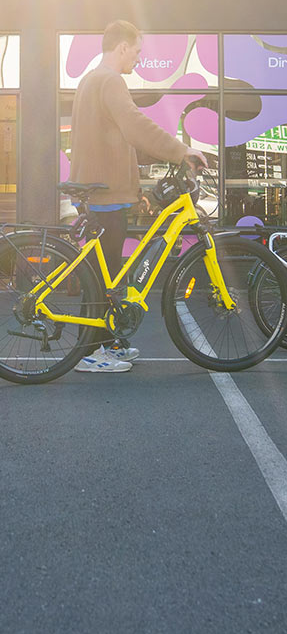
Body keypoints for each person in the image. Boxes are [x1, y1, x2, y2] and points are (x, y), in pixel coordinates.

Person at [69, 19, 207, 373]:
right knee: (106, 278)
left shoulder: (89, 80)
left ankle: (108, 344)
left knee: (109, 274)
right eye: (137, 51)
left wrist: (133, 192)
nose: (139, 59)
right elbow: (134, 126)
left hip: (103, 191)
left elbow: (112, 142)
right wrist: (181, 151)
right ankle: (92, 353)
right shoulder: (110, 81)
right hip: (103, 197)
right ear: (122, 47)